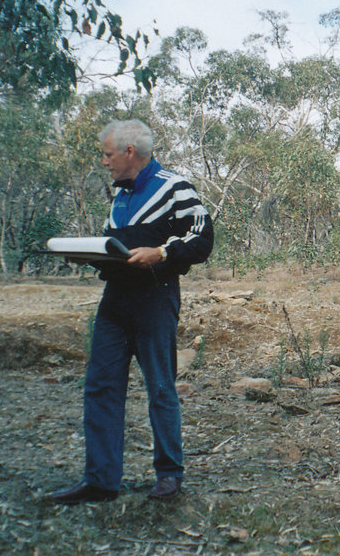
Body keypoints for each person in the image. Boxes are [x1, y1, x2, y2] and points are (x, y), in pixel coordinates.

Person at [50, 119, 214, 504]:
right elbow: (116, 248)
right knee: (101, 385)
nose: (104, 162)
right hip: (115, 300)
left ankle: (169, 474)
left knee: (160, 386)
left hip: (155, 298)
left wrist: (161, 252)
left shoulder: (175, 187)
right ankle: (101, 480)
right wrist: (87, 255)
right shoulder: (119, 197)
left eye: (108, 154)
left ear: (128, 152)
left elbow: (201, 238)